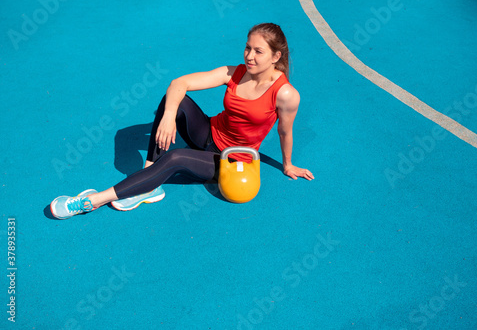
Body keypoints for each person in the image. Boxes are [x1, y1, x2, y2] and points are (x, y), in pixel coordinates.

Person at [50, 23, 314, 219]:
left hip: (231, 159)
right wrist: (167, 117)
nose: (249, 56)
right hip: (208, 134)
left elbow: (285, 132)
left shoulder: (285, 94)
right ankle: (147, 182)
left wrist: (288, 165)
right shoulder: (234, 72)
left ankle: (92, 201)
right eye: (247, 47)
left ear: (276, 57)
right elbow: (180, 83)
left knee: (175, 158)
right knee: (174, 101)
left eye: (258, 51)